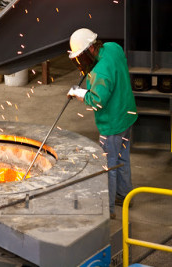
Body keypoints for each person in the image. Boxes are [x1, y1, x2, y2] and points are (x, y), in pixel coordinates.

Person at [67, 28, 138, 219]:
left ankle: (107, 209)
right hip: (126, 116)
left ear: (90, 50)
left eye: (81, 56)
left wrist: (80, 93)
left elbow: (97, 100)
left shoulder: (100, 72)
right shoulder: (113, 48)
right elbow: (111, 70)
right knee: (122, 157)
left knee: (108, 165)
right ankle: (124, 196)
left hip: (112, 124)